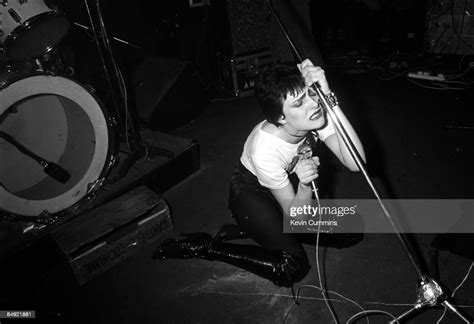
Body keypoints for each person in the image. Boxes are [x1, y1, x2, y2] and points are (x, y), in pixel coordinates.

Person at [153, 59, 366, 287]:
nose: (313, 105)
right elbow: (298, 217)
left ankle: (258, 229)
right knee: (291, 268)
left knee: (351, 226)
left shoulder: (317, 116)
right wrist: (304, 186)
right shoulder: (263, 149)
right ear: (281, 118)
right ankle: (206, 246)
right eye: (299, 103)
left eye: (312, 94)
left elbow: (356, 163)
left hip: (286, 189)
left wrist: (329, 97)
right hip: (251, 193)